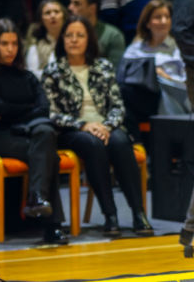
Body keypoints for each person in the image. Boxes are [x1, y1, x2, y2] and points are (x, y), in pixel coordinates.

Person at [42, 15, 153, 237]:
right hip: (74, 131)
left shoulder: (103, 67)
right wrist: (83, 125)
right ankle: (110, 214)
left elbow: (118, 106)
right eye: (69, 35)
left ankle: (138, 213)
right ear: (62, 39)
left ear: (89, 39)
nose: (74, 40)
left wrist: (107, 126)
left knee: (121, 141)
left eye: (80, 35)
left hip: (106, 127)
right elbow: (51, 113)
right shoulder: (53, 71)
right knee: (93, 144)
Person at [0, 19, 68, 244]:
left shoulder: (28, 76)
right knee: (47, 153)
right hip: (1, 138)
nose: (10, 49)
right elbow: (0, 108)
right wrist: (26, 110)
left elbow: (43, 108)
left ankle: (38, 199)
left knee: (45, 141)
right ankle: (52, 225)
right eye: (4, 44)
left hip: (29, 135)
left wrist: (11, 113)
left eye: (14, 44)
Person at [119, 0, 191, 130]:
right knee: (123, 91)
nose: (163, 21)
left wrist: (164, 77)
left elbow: (187, 84)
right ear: (147, 23)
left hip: (170, 95)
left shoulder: (179, 48)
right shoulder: (135, 49)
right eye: (158, 17)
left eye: (167, 17)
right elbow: (122, 76)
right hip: (139, 97)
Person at [68, 0, 126, 70]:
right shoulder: (67, 33)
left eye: (76, 4)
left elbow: (116, 69)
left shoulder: (113, 35)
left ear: (92, 8)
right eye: (71, 3)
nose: (70, 7)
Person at [23, 0, 66, 75]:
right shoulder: (35, 46)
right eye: (47, 13)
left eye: (56, 12)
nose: (53, 16)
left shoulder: (71, 42)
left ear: (64, 16)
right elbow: (33, 73)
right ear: (41, 19)